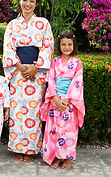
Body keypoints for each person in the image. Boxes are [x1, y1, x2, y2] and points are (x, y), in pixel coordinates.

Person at [3, 0, 54, 162]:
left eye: (32, 1)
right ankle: (17, 147)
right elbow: (8, 47)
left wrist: (35, 68)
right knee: (17, 110)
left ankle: (31, 150)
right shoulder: (12, 24)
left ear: (36, 3)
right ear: (20, 1)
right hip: (18, 73)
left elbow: (48, 47)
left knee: (33, 111)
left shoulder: (43, 23)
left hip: (36, 73)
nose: (28, 3)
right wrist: (19, 65)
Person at [40, 30, 85, 169]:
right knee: (54, 129)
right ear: (59, 46)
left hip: (70, 101)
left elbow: (77, 82)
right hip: (55, 100)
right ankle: (56, 156)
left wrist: (66, 99)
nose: (66, 47)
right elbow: (51, 80)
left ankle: (67, 157)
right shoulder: (54, 62)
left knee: (68, 130)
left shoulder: (77, 63)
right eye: (63, 44)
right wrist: (55, 98)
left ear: (74, 45)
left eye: (69, 44)